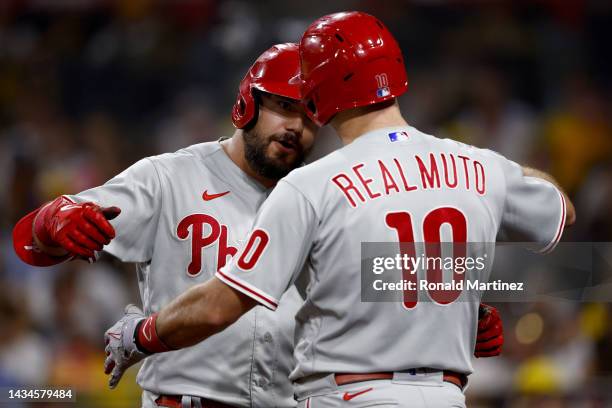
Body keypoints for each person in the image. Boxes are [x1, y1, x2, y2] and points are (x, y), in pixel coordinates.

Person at [12, 43, 318, 408]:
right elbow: (34, 240)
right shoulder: (170, 177)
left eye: (311, 118)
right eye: (285, 107)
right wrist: (55, 219)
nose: (296, 127)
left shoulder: (321, 197)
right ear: (246, 105)